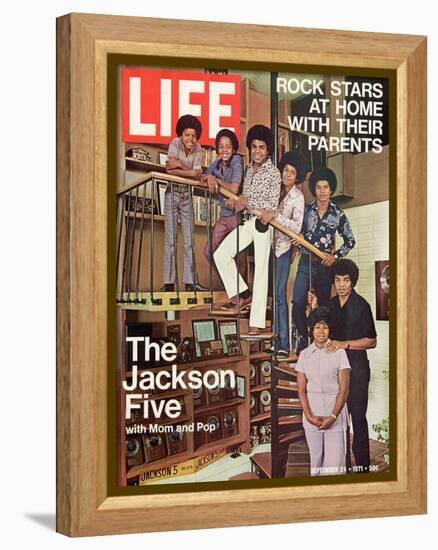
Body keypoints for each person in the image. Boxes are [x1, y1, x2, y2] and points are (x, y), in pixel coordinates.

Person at [309, 258, 377, 472]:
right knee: (338, 420)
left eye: (346, 280)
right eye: (338, 280)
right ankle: (344, 468)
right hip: (335, 371)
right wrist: (314, 308)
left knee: (357, 418)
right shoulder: (329, 305)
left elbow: (372, 341)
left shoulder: (362, 305)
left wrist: (344, 344)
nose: (341, 285)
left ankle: (364, 469)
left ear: (352, 281)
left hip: (357, 369)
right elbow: (320, 327)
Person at [214, 125, 281, 336]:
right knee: (221, 254)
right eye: (254, 147)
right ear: (250, 148)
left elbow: (271, 207)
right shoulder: (249, 169)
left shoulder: (274, 173)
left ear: (268, 150)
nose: (258, 151)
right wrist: (236, 204)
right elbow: (242, 199)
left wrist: (246, 202)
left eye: (262, 147)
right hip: (247, 222)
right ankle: (242, 294)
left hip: (263, 224)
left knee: (260, 272)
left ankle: (257, 323)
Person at [292, 167, 356, 352]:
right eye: (318, 187)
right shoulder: (305, 210)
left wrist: (334, 256)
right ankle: (304, 338)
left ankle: (319, 344)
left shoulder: (338, 214)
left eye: (325, 187)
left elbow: (350, 241)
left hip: (325, 268)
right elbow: (295, 230)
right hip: (305, 262)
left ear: (331, 189)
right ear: (314, 189)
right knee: (297, 303)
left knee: (322, 309)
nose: (322, 191)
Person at [296, 307, 351, 476]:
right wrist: (309, 416)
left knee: (334, 468)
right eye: (317, 327)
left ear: (330, 329)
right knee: (316, 465)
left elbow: (344, 390)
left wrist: (333, 416)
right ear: (312, 329)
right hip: (312, 415)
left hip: (335, 414)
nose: (321, 331)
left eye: (325, 327)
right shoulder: (304, 355)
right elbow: (301, 391)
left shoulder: (339, 353)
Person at [261, 151, 305, 356]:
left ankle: (284, 344)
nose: (287, 175)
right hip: (267, 245)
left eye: (292, 172)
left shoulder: (298, 197)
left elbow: (296, 227)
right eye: (285, 170)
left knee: (280, 295)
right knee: (271, 295)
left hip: (283, 249)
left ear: (297, 176)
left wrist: (276, 216)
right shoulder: (275, 190)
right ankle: (276, 339)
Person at [162, 114, 207, 292]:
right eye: (187, 135)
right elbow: (168, 170)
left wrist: (179, 165)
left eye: (194, 135)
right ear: (181, 135)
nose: (191, 139)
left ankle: (190, 283)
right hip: (172, 193)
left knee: (189, 241)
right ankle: (168, 283)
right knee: (170, 240)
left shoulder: (199, 149)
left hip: (187, 196)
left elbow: (197, 174)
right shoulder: (175, 143)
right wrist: (189, 171)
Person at [201, 129, 246, 290]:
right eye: (221, 146)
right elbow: (204, 176)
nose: (224, 150)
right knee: (209, 252)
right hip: (223, 217)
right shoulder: (216, 164)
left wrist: (216, 181)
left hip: (236, 217)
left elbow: (234, 189)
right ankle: (231, 285)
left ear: (234, 149)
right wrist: (209, 177)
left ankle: (242, 295)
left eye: (228, 146)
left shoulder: (236, 161)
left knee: (240, 258)